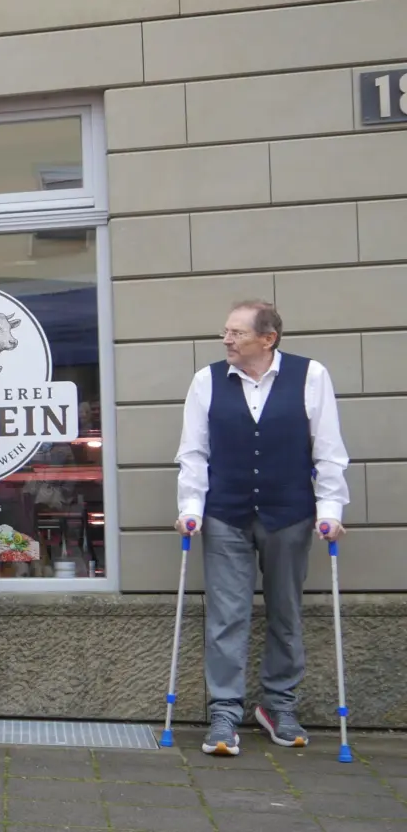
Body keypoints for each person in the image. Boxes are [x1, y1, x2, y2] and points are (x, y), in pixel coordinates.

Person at [175, 299, 349, 757]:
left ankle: (278, 705)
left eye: (236, 332)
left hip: (289, 512)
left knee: (286, 612)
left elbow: (328, 449)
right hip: (225, 513)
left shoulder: (311, 376)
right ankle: (225, 712)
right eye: (225, 332)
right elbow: (194, 452)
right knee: (226, 616)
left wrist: (331, 508)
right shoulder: (206, 380)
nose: (226, 339)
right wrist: (190, 506)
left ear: (267, 339)